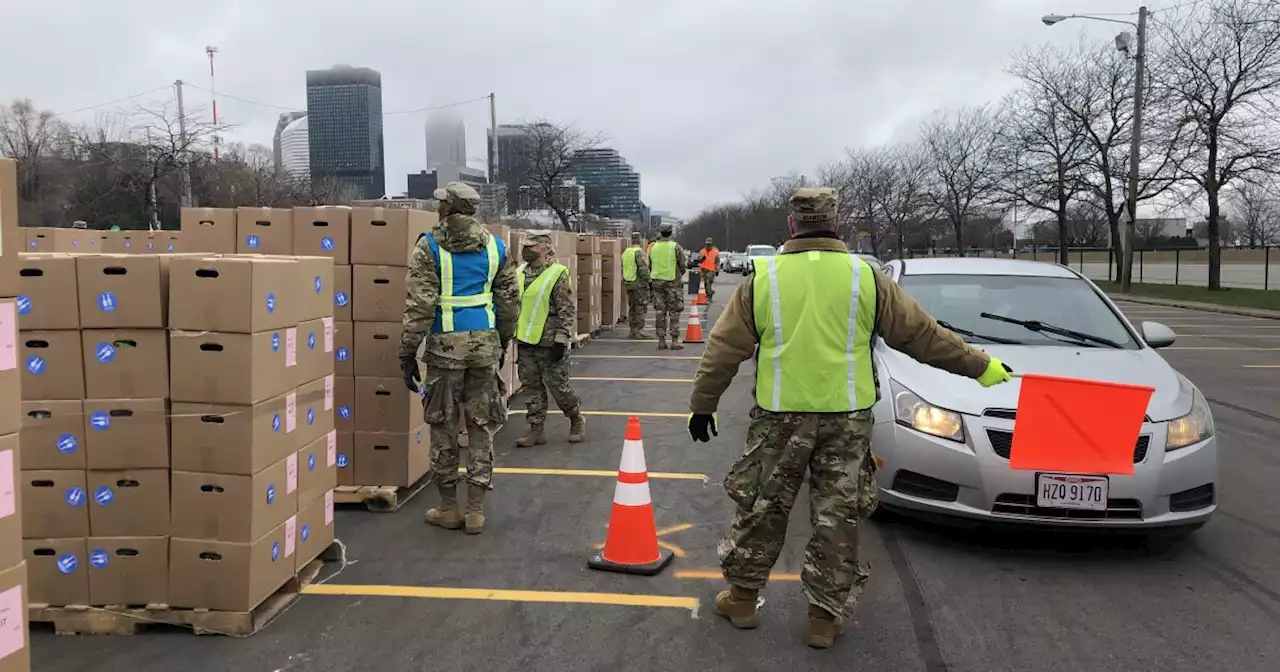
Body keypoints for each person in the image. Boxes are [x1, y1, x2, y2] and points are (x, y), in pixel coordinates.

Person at [687, 186, 1013, 649]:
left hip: (780, 419)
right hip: (847, 421)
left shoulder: (765, 278)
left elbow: (723, 350)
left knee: (762, 507)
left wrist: (703, 405)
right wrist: (980, 366)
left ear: (791, 225)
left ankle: (741, 599)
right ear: (837, 223)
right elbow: (922, 335)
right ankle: (824, 618)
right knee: (836, 515)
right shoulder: (867, 277)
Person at [399, 182, 519, 536]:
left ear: (448, 209)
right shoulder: (496, 247)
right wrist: (503, 340)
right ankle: (476, 510)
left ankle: (449, 507)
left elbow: (419, 306)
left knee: (444, 428)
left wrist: (407, 351)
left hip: (444, 353)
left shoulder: (429, 246)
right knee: (482, 427)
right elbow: (509, 302)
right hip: (484, 349)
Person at [513, 234, 587, 447]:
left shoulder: (557, 274)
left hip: (550, 341)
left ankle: (576, 419)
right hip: (526, 340)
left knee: (559, 387)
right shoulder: (519, 273)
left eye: (531, 247)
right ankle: (536, 429)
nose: (526, 250)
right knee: (531, 387)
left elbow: (566, 309)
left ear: (544, 249)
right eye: (525, 247)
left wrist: (562, 339)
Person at [648, 223, 687, 350]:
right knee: (674, 312)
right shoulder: (675, 246)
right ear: (670, 233)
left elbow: (649, 263)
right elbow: (682, 264)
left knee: (660, 312)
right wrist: (679, 273)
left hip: (657, 283)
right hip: (672, 283)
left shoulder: (653, 247)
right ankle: (674, 341)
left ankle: (661, 340)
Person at [622, 232, 651, 339]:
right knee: (641, 308)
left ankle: (632, 330)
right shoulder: (639, 252)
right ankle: (640, 330)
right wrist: (649, 280)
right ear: (639, 241)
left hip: (629, 283)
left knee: (632, 307)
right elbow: (643, 269)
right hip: (639, 284)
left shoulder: (626, 252)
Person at [696, 237, 720, 301]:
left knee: (708, 282)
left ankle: (709, 296)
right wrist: (701, 259)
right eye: (707, 244)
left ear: (711, 244)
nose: (708, 246)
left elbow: (717, 261)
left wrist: (717, 270)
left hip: (711, 270)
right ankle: (710, 292)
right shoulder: (702, 251)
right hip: (703, 269)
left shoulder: (715, 252)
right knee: (704, 284)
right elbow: (698, 260)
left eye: (709, 244)